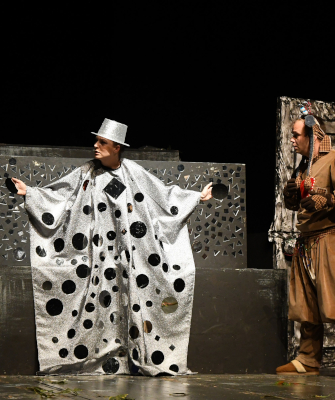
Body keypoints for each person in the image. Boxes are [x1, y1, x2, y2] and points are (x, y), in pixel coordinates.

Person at [12, 118, 213, 375]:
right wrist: (30, 193)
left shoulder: (133, 172)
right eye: (96, 141)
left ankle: (136, 357)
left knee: (133, 301)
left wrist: (195, 197)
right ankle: (100, 358)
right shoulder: (86, 172)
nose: (95, 146)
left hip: (130, 256)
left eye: (102, 142)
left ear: (117, 147)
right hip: (98, 257)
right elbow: (60, 195)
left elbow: (162, 196)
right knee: (101, 304)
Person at [276, 106, 335, 380]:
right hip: (307, 242)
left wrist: (329, 199)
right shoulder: (304, 167)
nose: (292, 140)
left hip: (332, 240)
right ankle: (308, 359)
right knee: (307, 304)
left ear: (314, 135)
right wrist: (292, 195)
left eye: (296, 135)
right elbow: (300, 204)